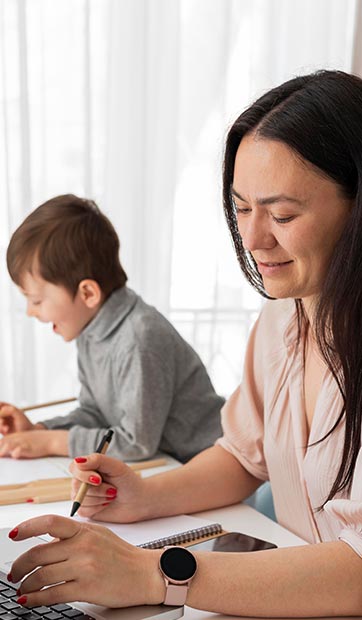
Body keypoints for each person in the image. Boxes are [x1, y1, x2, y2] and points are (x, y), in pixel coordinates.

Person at [8, 69, 362, 616]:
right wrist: (143, 498)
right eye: (242, 208)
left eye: (283, 214)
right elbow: (245, 457)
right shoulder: (281, 320)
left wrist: (154, 573)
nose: (253, 239)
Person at [0, 194, 224, 462]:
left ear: (88, 294)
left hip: (208, 469)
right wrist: (39, 431)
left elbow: (136, 443)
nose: (30, 311)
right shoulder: (91, 331)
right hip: (168, 465)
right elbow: (96, 415)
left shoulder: (139, 338)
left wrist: (52, 442)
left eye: (36, 300)